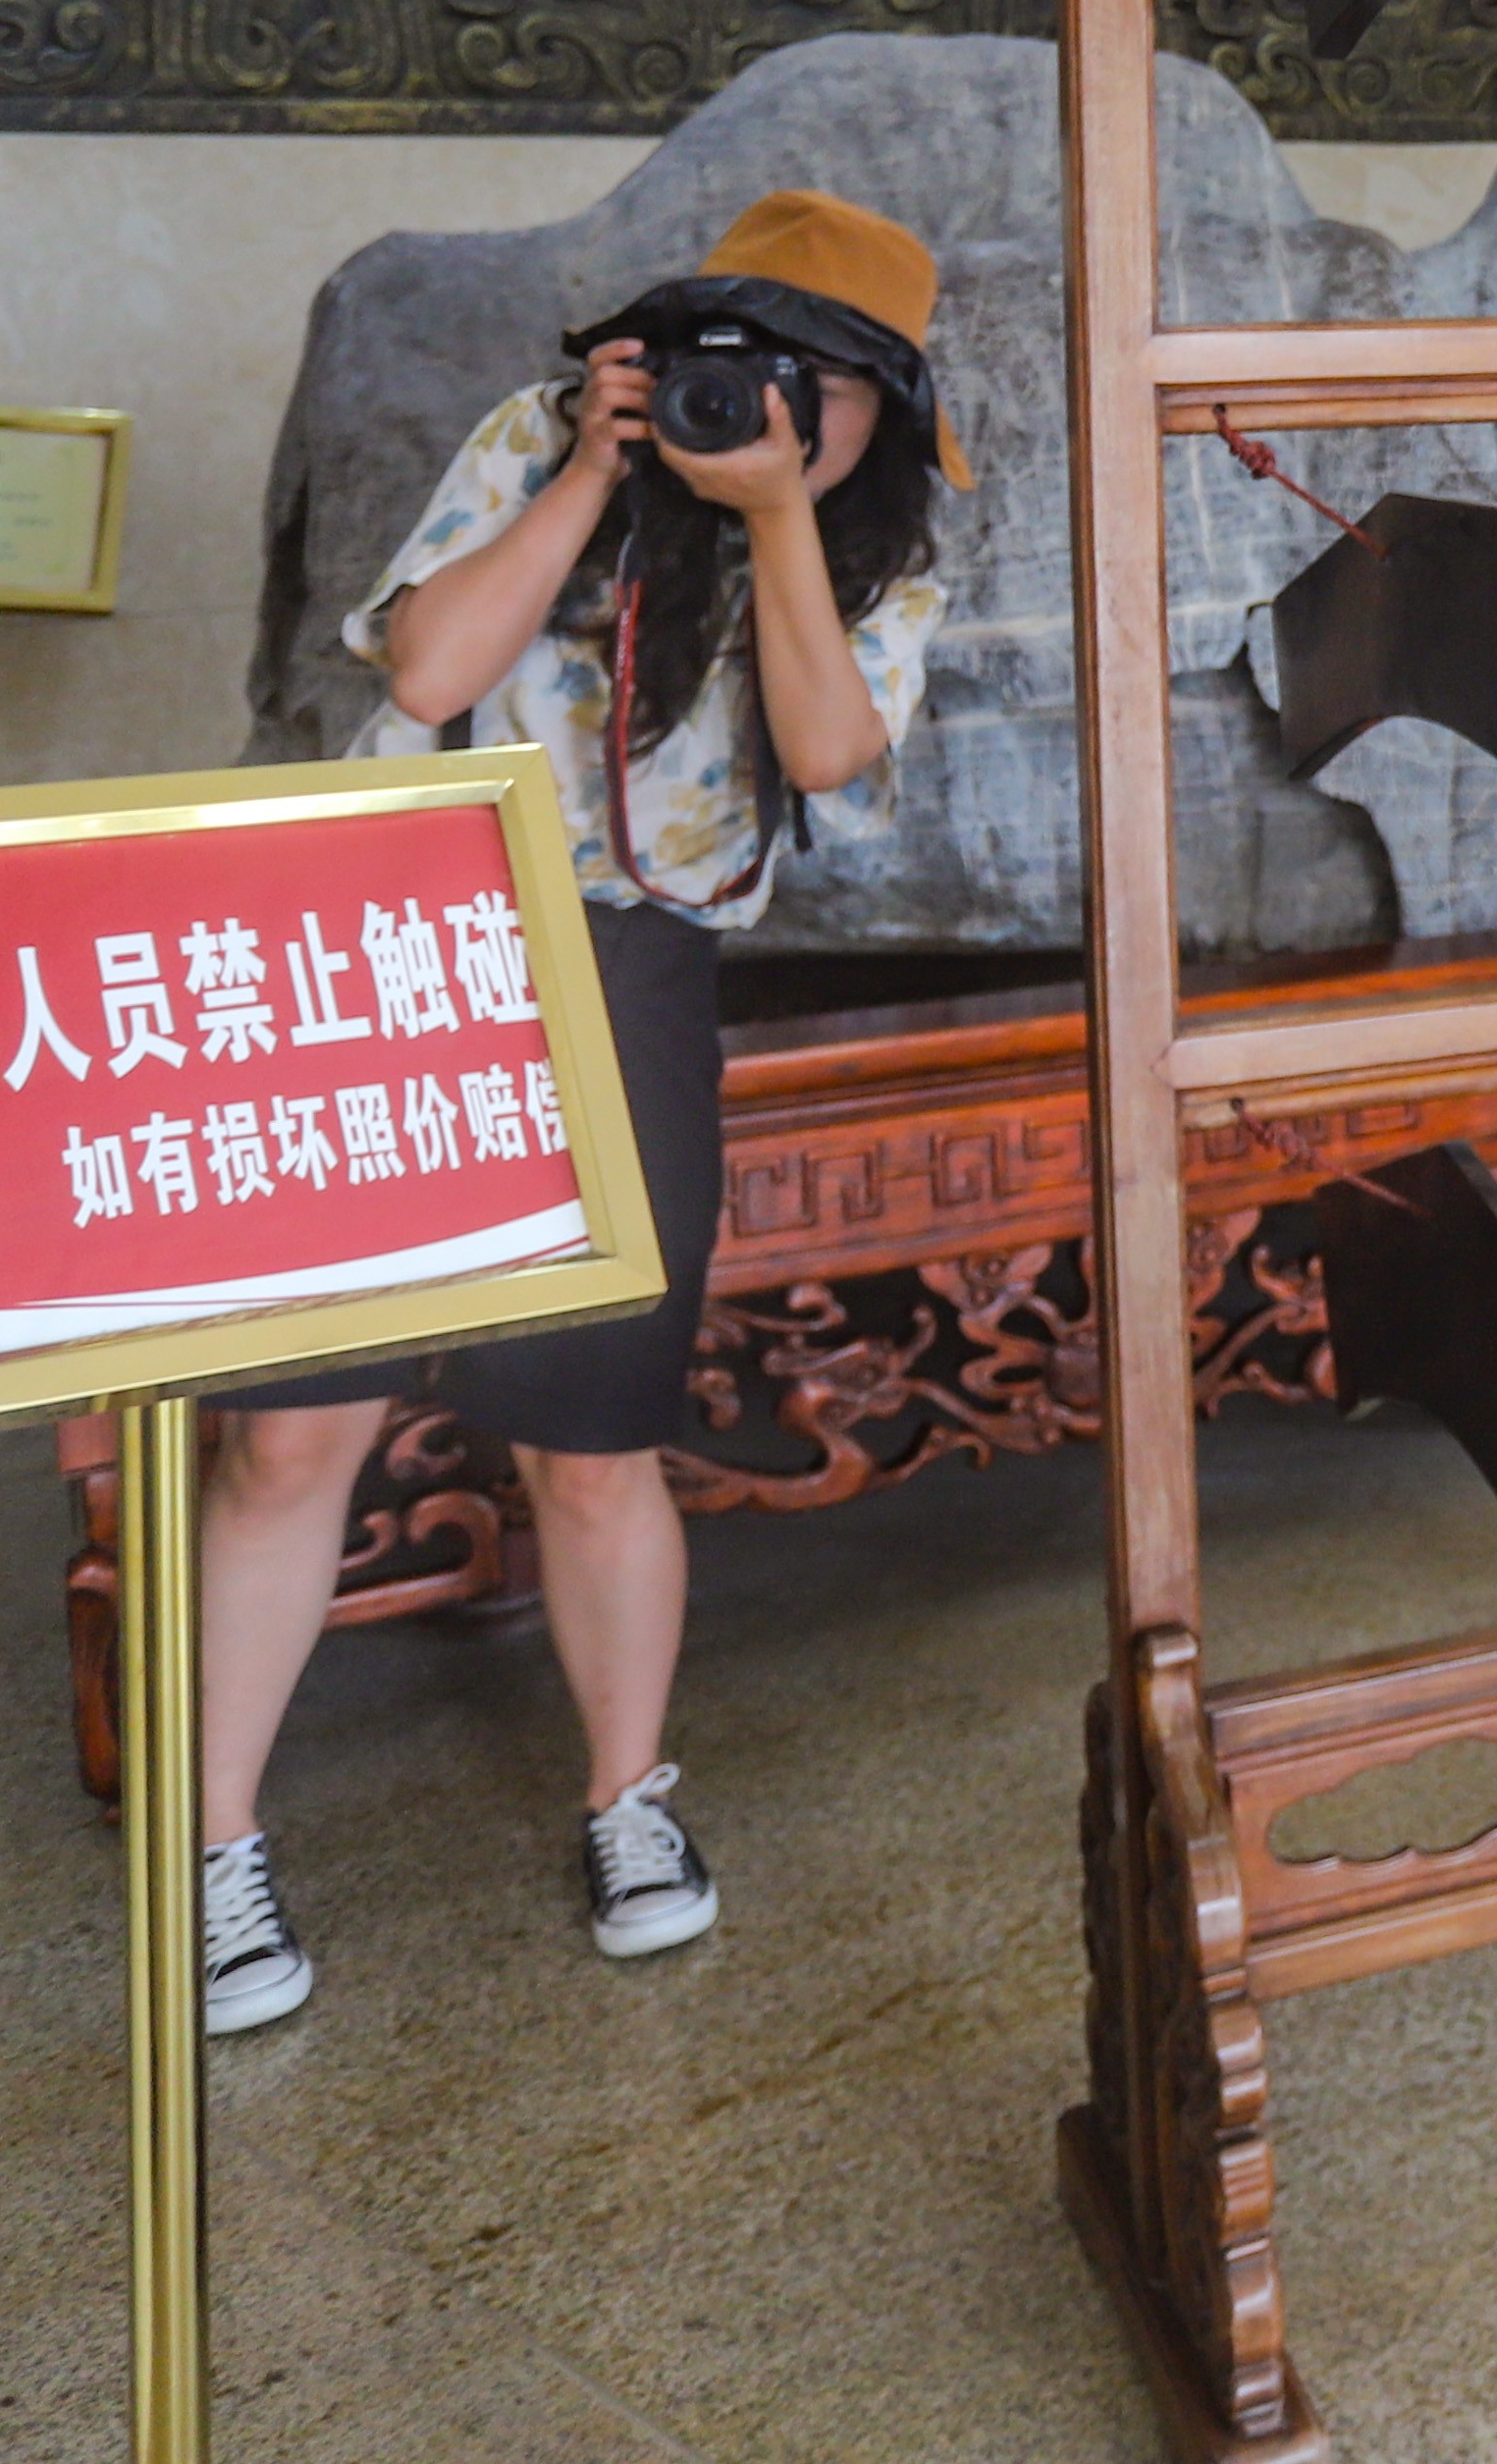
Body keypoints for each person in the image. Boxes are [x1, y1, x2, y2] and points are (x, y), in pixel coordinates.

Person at [190, 189, 964, 2034]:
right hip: (396, 936)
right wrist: (590, 488)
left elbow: (832, 752)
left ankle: (628, 1802)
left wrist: (773, 518)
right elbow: (432, 672)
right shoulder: (541, 448)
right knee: (293, 1438)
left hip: (629, 969)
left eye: (817, 377)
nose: (763, 396)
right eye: (732, 352)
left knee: (596, 1438)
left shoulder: (876, 559)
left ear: (879, 407)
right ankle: (209, 1843)